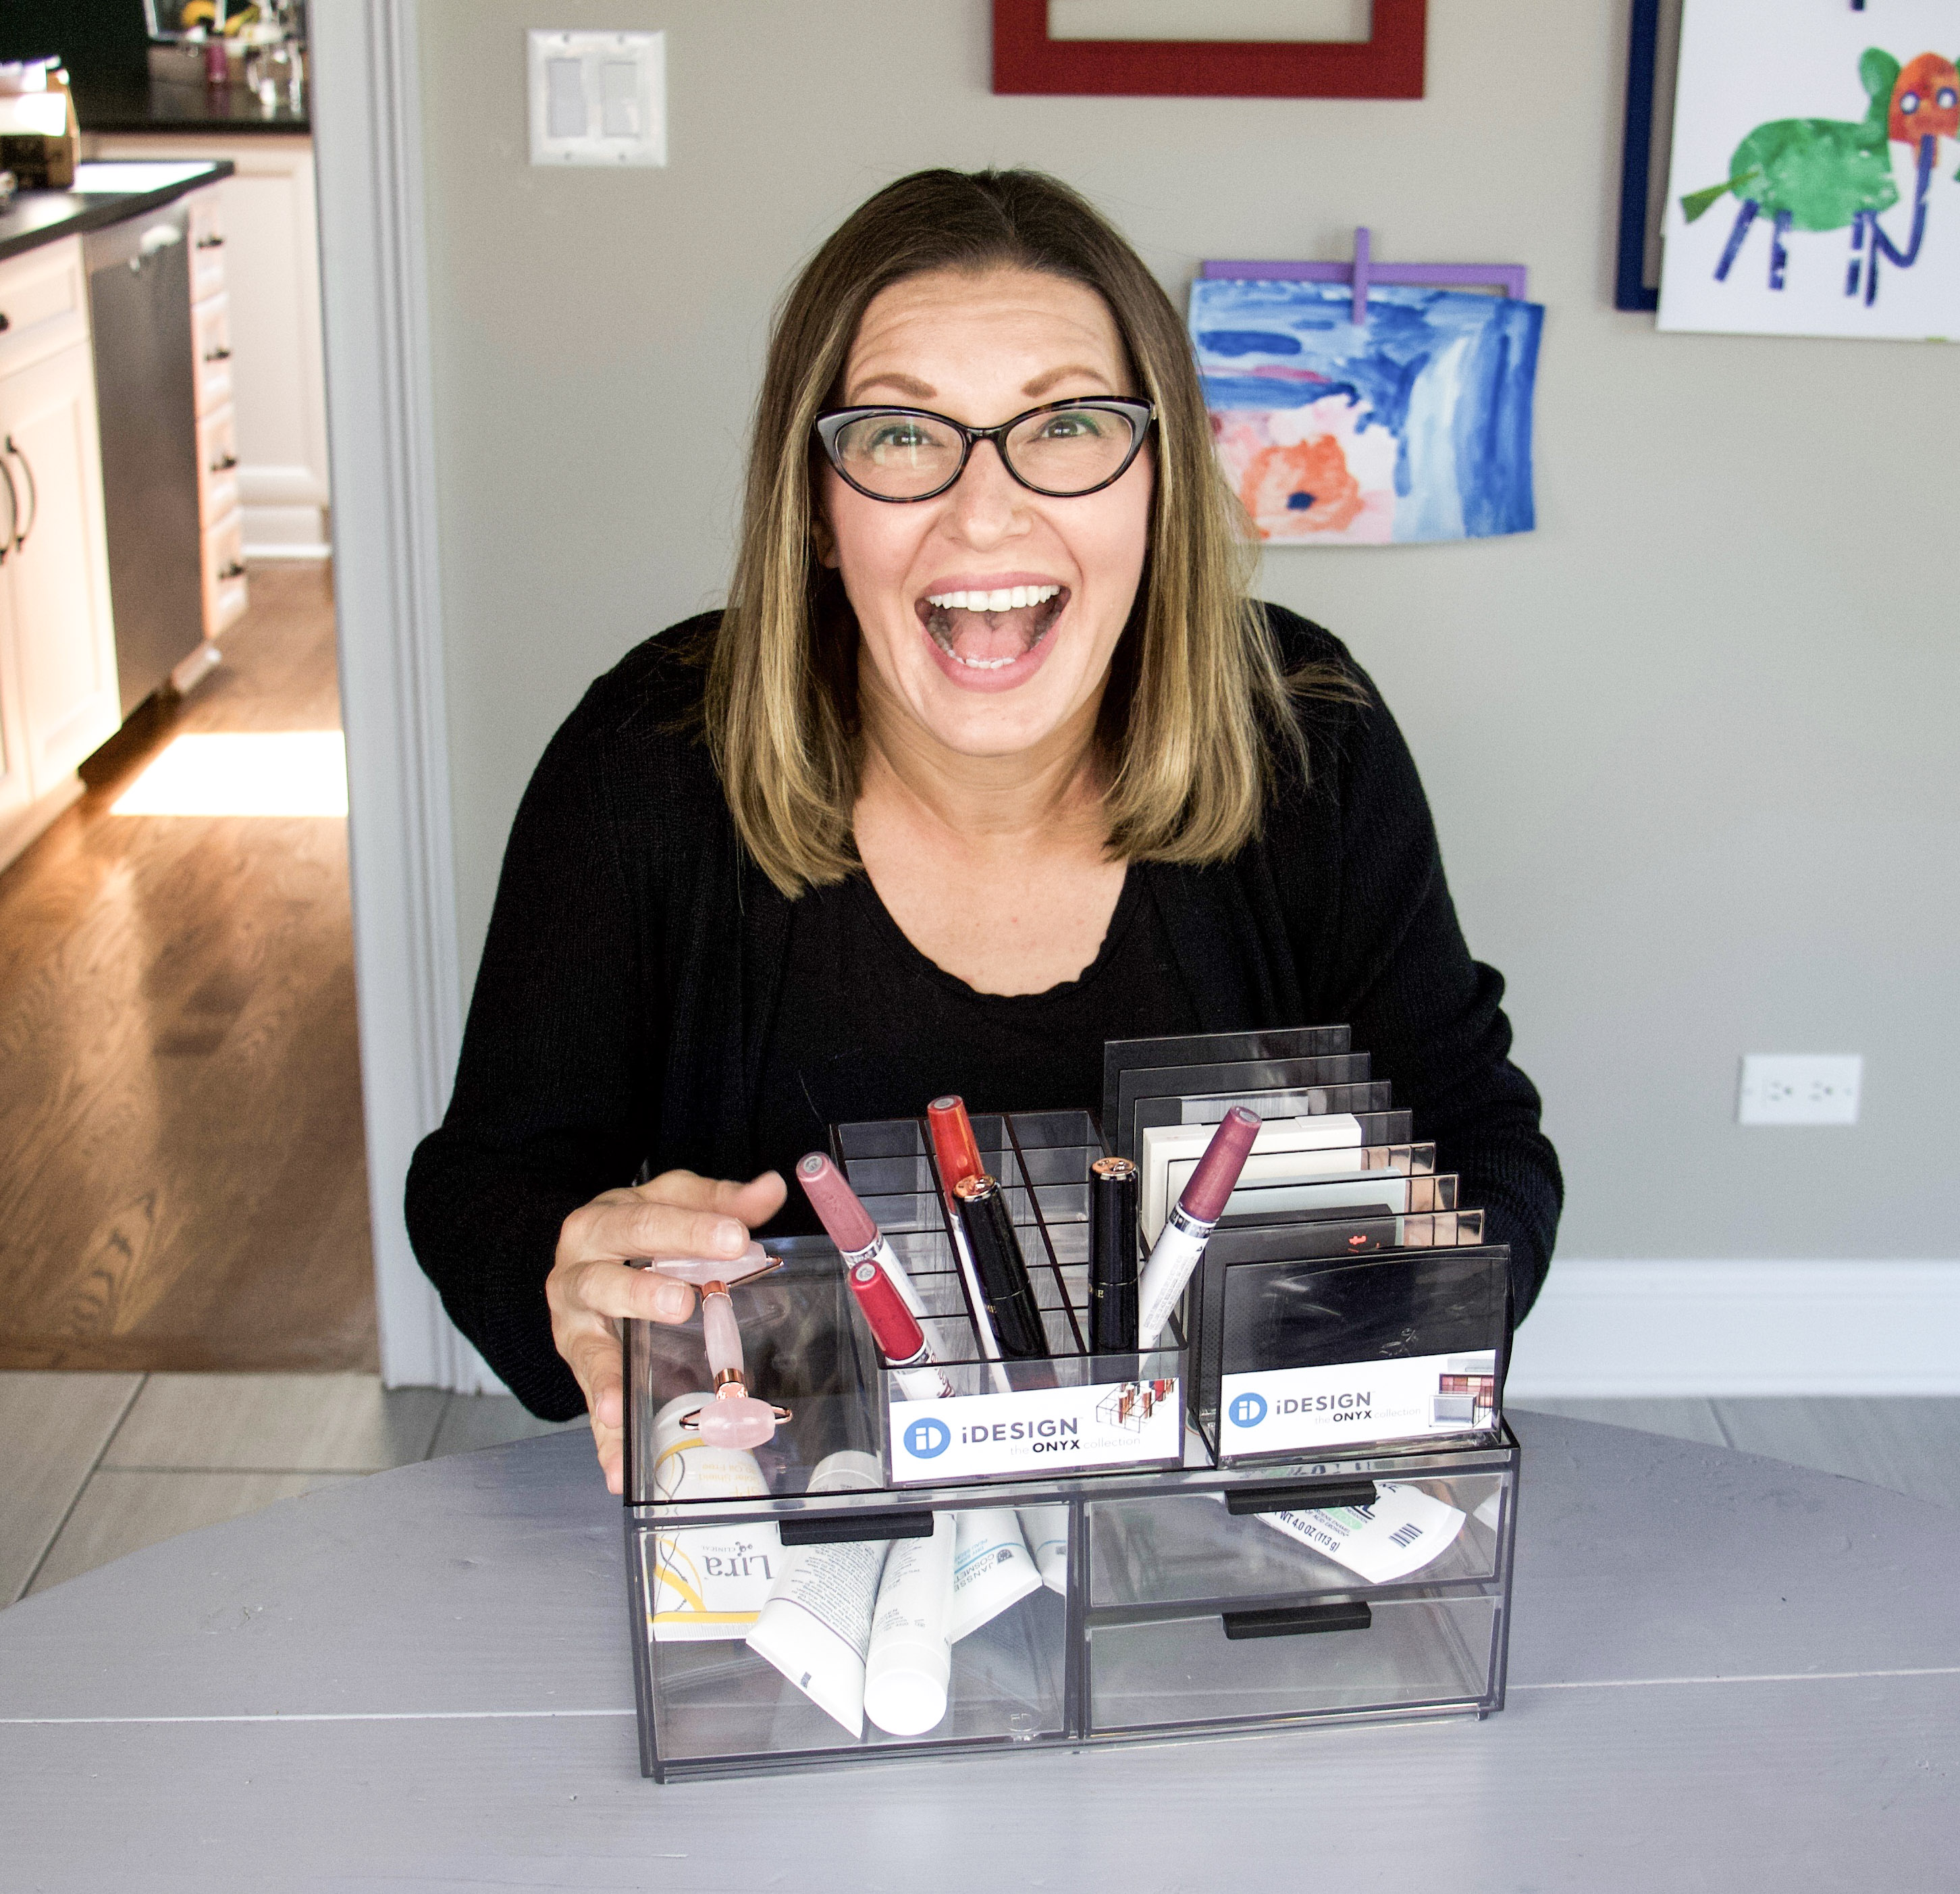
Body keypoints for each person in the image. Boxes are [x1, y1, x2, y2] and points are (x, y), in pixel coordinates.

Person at [406, 168, 1562, 1494]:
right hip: (796, 1540)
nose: (986, 510)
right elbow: (482, 1189)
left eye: (1066, 424)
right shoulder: (652, 757)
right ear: (816, 508)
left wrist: (1416, 1294)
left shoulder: (1307, 735)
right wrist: (565, 1279)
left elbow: (1483, 1142)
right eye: (903, 434)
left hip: (1216, 1530)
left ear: (1158, 485)